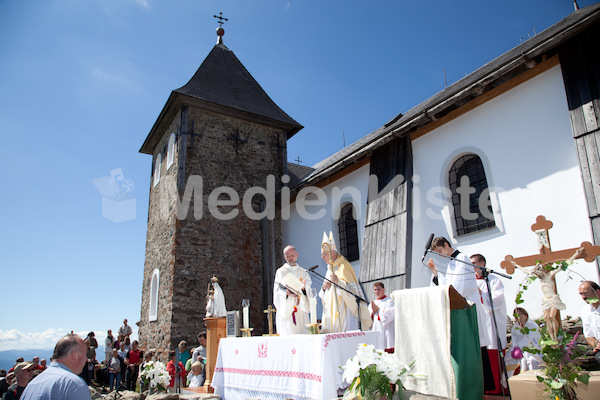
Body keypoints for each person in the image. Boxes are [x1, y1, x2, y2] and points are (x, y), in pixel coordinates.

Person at [426, 237, 493, 391]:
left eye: (440, 251)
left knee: (475, 348)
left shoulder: (462, 259)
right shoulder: (451, 264)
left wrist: (452, 293)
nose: (441, 255)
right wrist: (436, 274)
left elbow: (464, 287)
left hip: (469, 308)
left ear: (447, 245)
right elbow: (447, 286)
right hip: (459, 310)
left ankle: (482, 387)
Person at [319, 232, 371, 333]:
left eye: (324, 254)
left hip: (344, 310)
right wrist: (324, 288)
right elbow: (324, 293)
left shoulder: (344, 266)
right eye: (322, 255)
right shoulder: (330, 269)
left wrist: (338, 281)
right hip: (331, 310)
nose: (322, 257)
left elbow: (353, 294)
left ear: (332, 253)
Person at [471, 254, 507, 395]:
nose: (472, 266)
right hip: (478, 325)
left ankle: (496, 392)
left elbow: (497, 301)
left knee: (493, 357)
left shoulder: (493, 280)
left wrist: (481, 293)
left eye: (474, 263)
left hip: (492, 325)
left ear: (482, 263)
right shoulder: (470, 281)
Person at [21, 333, 92, 400]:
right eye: (85, 354)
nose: (86, 359)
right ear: (75, 355)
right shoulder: (74, 385)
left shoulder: (31, 385)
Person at [273, 245, 312, 335]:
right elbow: (277, 291)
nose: (290, 258)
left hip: (301, 310)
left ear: (296, 255)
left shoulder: (303, 272)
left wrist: (303, 290)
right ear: (284, 257)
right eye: (288, 256)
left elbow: (308, 289)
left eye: (292, 256)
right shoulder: (281, 272)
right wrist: (287, 294)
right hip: (287, 311)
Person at [368, 282, 395, 353]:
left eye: (378, 289)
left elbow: (390, 315)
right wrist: (373, 313)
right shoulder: (373, 303)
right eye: (375, 290)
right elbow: (368, 320)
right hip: (376, 329)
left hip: (386, 331)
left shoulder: (389, 301)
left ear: (383, 290)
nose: (376, 292)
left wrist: (378, 310)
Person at [578, 280, 600, 353]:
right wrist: (596, 344)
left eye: (586, 293)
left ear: (597, 292)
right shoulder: (585, 311)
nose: (583, 297)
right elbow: (588, 335)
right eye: (581, 294)